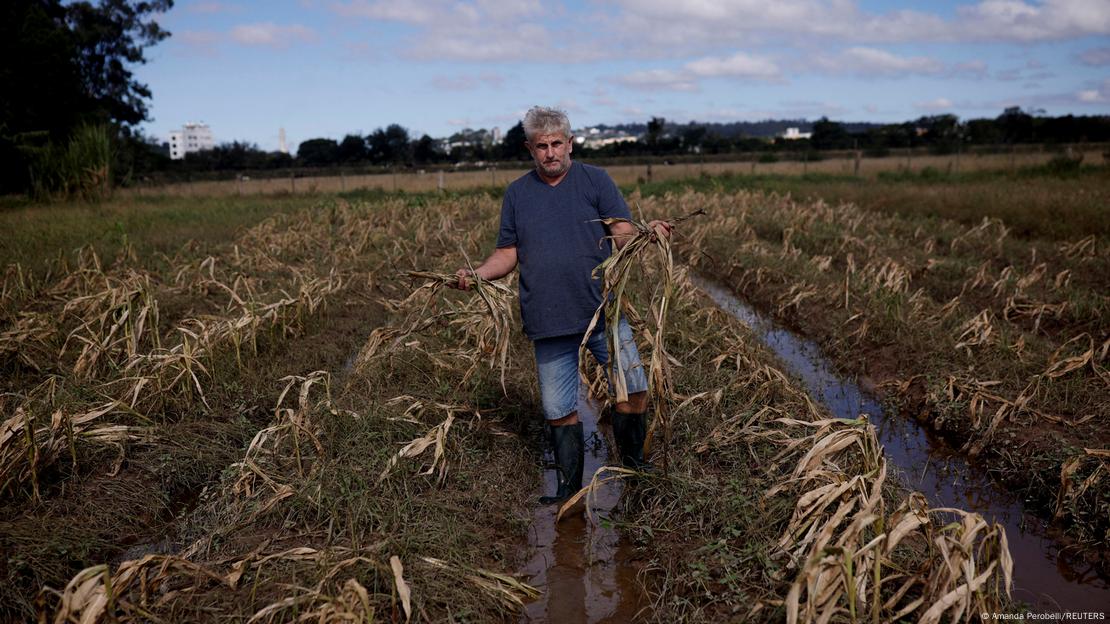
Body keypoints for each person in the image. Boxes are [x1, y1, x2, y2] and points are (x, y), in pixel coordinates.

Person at [454, 106, 672, 505]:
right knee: (559, 410)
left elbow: (621, 233)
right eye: (542, 146)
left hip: (603, 311)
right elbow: (507, 253)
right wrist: (479, 273)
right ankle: (569, 490)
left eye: (557, 143)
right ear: (529, 149)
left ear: (570, 143)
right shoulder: (518, 193)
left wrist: (645, 234)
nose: (551, 152)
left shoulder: (595, 181)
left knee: (633, 391)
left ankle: (634, 468)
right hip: (548, 318)